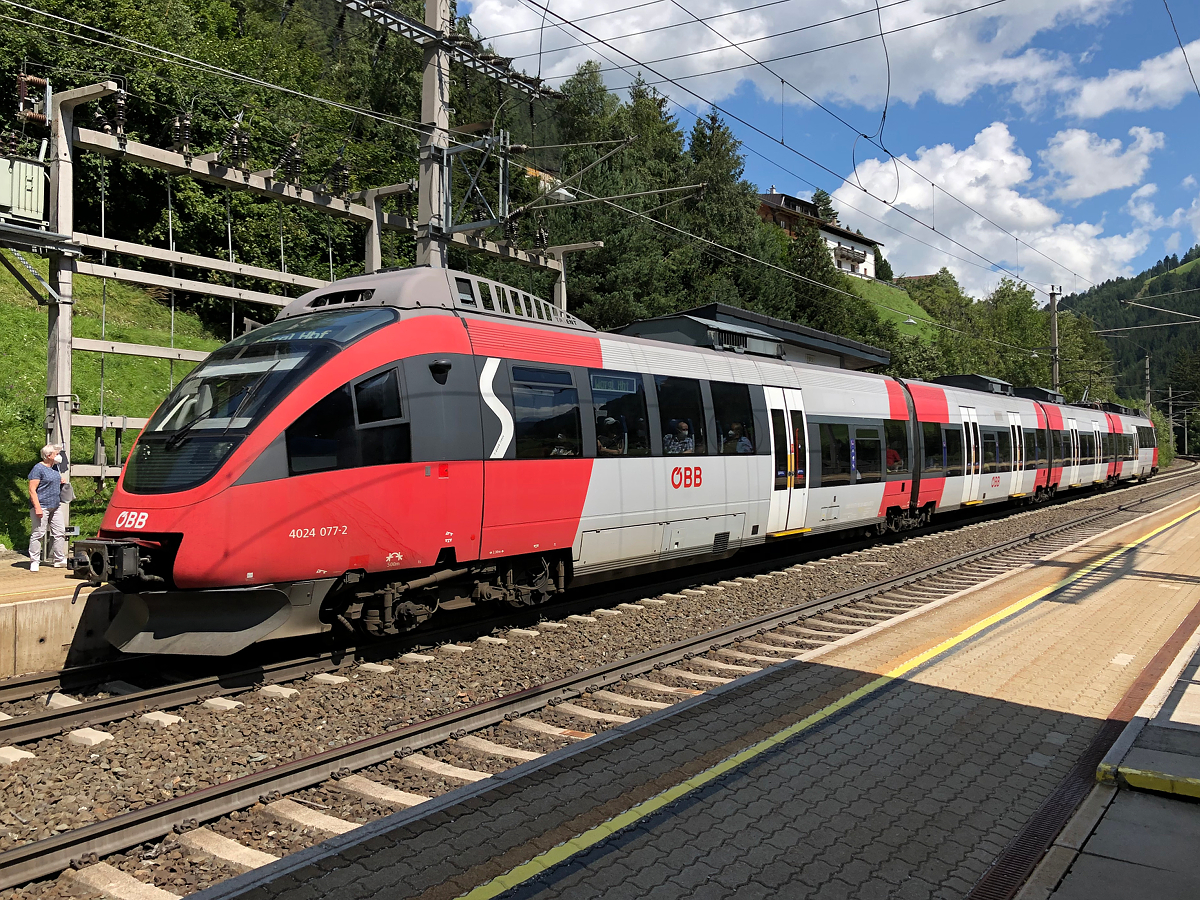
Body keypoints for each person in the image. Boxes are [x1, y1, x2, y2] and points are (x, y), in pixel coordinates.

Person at [28, 443, 68, 572]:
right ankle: (34, 561)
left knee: (60, 532)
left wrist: (60, 480)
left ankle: (59, 559)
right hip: (42, 505)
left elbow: (52, 480)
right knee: (38, 533)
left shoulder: (55, 467)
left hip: (55, 506)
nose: (58, 456)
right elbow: (32, 490)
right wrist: (37, 508)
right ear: (48, 455)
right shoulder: (37, 469)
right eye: (56, 454)